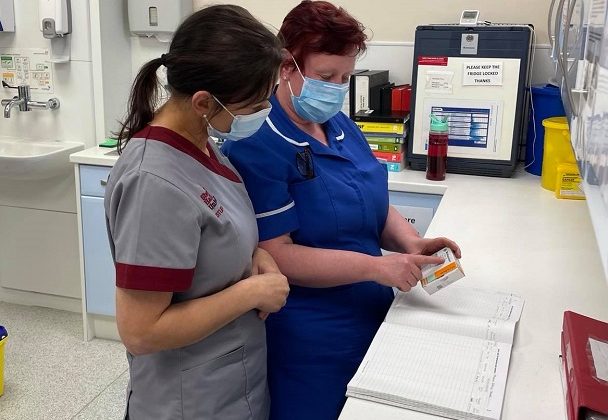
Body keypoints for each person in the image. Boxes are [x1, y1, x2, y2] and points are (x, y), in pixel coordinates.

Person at [221, 1, 461, 419]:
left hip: (372, 312)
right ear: (286, 66)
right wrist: (376, 267)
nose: (335, 88)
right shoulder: (257, 141)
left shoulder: (338, 124)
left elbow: (369, 199)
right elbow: (276, 253)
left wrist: (411, 241)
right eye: (325, 76)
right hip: (310, 337)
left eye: (345, 77)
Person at [104, 5, 290, 419]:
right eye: (255, 104)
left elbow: (220, 229)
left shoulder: (204, 146)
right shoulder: (153, 182)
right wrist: (251, 293)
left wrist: (256, 256)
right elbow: (140, 331)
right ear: (204, 102)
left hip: (230, 383)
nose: (264, 113)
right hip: (188, 400)